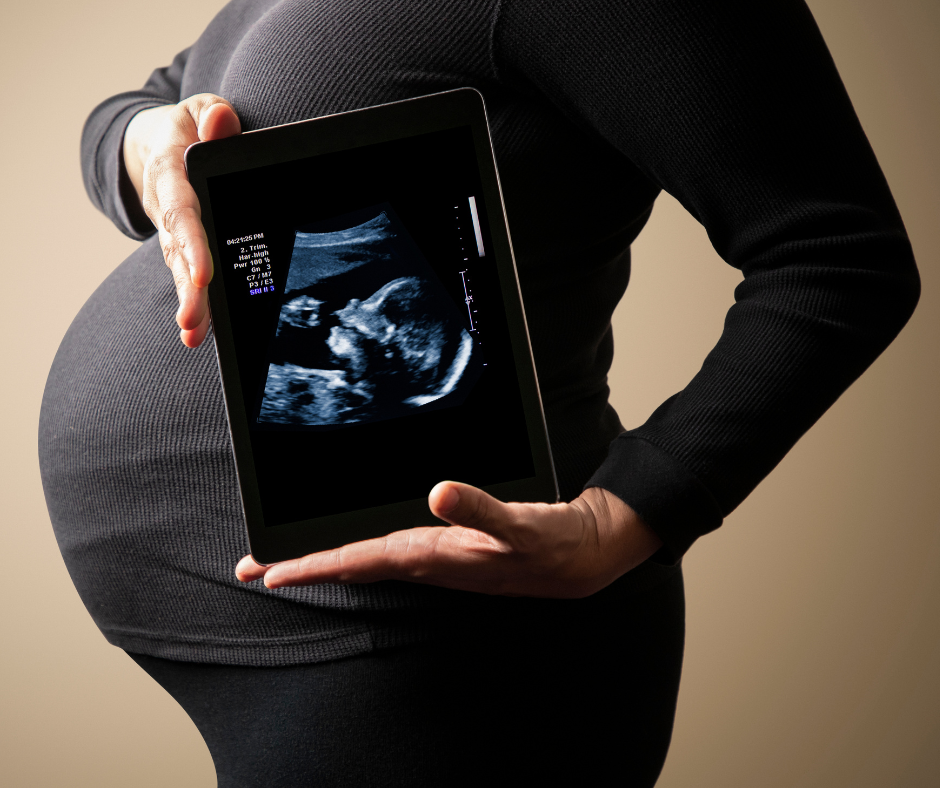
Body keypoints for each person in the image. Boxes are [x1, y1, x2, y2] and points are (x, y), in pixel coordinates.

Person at [39, 0, 919, 785]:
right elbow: (143, 100)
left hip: (435, 659)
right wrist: (143, 143)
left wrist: (635, 512)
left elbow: (837, 252)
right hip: (310, 653)